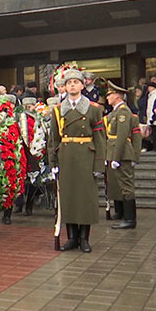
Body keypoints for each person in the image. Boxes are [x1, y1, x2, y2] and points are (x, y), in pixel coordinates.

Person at [49, 69, 105, 253]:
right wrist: (53, 163)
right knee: (69, 198)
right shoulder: (57, 110)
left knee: (85, 198)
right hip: (66, 156)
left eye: (76, 82)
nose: (72, 85)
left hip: (86, 156)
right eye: (69, 82)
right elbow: (53, 140)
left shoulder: (94, 109)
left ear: (83, 85)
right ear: (64, 87)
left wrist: (99, 164)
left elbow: (99, 138)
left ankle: (84, 238)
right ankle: (71, 237)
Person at [103, 81, 141, 229]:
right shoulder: (115, 112)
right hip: (115, 152)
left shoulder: (123, 112)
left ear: (117, 96)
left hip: (122, 153)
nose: (107, 98)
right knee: (122, 185)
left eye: (109, 95)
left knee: (126, 186)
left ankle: (130, 220)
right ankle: (126, 216)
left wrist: (116, 157)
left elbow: (122, 135)